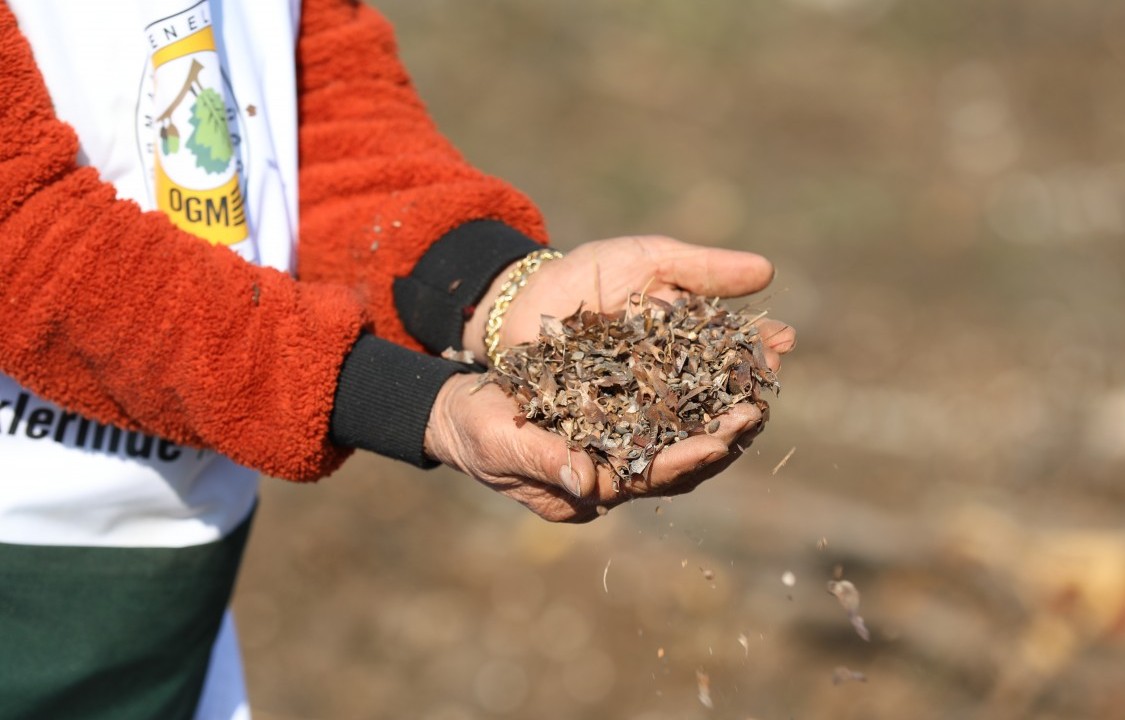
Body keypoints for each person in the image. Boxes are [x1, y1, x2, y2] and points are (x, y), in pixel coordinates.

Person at [0, 0, 796, 718]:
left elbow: (312, 100)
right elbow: (23, 234)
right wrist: (411, 402)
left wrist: (491, 286)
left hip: (174, 569)